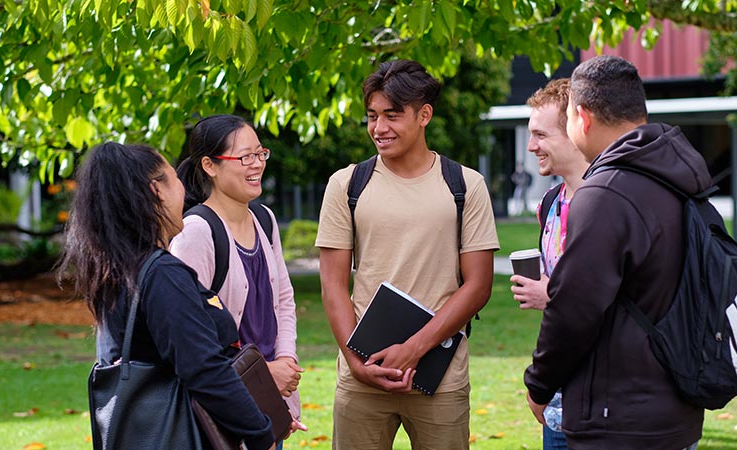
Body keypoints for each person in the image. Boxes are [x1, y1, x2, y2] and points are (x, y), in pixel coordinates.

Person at [523, 55, 706, 450]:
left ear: (582, 119)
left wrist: (538, 385)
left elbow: (575, 309)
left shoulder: (605, 193)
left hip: (619, 417)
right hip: (679, 408)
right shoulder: (681, 180)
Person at [315, 59, 499, 449]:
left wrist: (412, 350)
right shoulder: (346, 185)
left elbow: (479, 285)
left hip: (440, 377)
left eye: (392, 116)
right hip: (361, 373)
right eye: (372, 116)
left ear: (424, 115)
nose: (379, 129)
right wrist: (356, 363)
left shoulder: (465, 185)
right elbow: (332, 284)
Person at [58, 142, 277, 450]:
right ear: (156, 190)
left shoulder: (119, 271)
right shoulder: (162, 275)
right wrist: (259, 433)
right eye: (175, 180)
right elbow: (204, 369)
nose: (184, 193)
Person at [170, 115, 304, 448]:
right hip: (227, 408)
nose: (257, 164)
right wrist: (264, 376)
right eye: (245, 157)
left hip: (272, 399)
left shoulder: (264, 218)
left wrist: (285, 361)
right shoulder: (196, 233)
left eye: (261, 154)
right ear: (209, 165)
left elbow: (283, 300)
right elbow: (190, 338)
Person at [510, 78, 588, 450]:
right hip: (557, 397)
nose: (531, 146)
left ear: (575, 130)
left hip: (606, 400)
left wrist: (550, 294)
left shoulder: (612, 201)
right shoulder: (549, 204)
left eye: (541, 135)